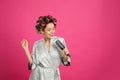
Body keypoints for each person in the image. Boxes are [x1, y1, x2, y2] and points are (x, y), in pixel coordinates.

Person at [21, 15, 70, 80]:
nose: (52, 32)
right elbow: (33, 65)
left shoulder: (59, 41)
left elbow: (66, 62)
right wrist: (26, 49)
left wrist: (65, 55)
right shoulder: (37, 44)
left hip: (54, 76)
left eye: (53, 29)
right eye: (49, 30)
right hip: (38, 76)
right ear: (42, 31)